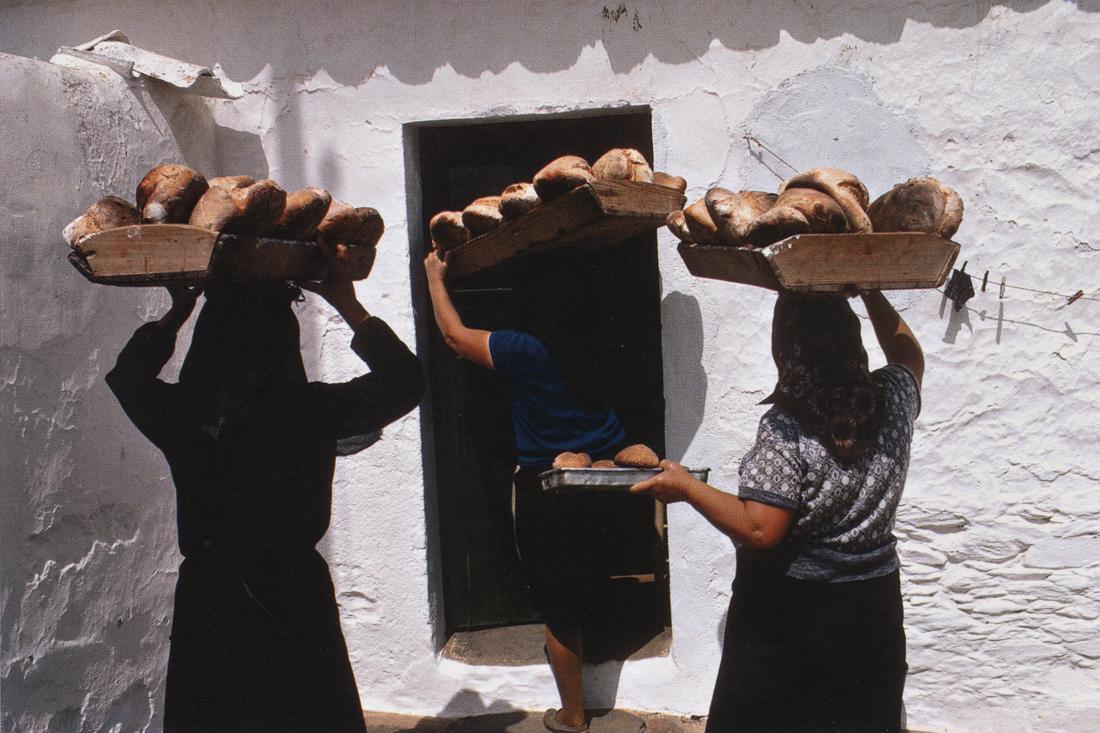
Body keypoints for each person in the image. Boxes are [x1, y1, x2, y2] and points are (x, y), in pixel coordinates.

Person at [105, 246, 424, 733]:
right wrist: (347, 303)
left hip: (212, 605)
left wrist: (177, 311)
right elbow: (406, 381)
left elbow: (127, 376)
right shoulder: (310, 411)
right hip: (293, 598)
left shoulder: (184, 415)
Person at [632, 290, 923, 733]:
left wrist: (687, 487)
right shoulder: (894, 398)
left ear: (787, 349)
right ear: (854, 339)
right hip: (872, 605)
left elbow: (761, 528)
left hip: (794, 610)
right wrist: (870, 289)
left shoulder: (788, 424)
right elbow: (906, 351)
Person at [424, 249, 635, 733]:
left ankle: (573, 716)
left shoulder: (525, 347)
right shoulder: (605, 341)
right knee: (591, 583)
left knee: (560, 606)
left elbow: (454, 336)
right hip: (605, 483)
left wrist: (435, 276)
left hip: (550, 484)